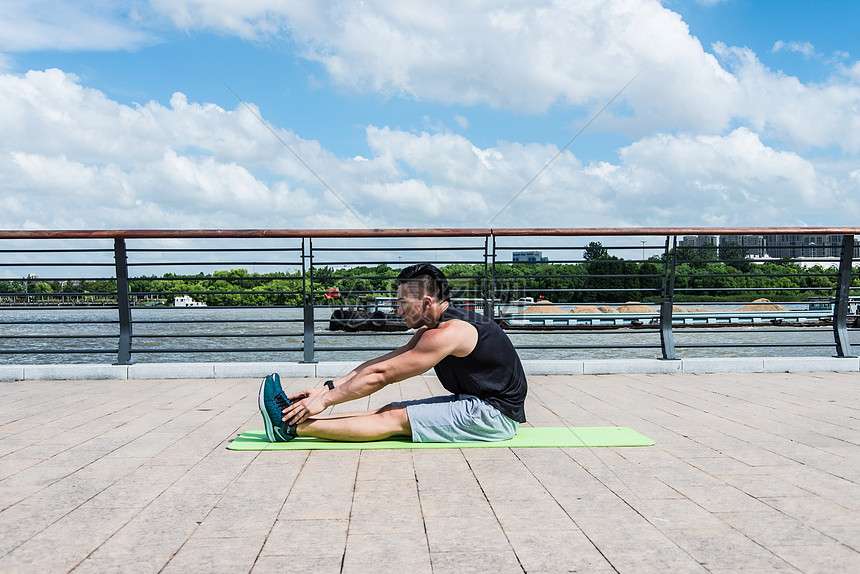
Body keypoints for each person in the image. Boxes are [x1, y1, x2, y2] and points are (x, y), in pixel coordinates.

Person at [258, 263, 527, 443]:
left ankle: (291, 427)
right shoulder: (430, 330)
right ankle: (292, 419)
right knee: (390, 408)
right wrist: (325, 389)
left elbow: (383, 376)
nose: (397, 309)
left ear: (426, 302)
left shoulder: (449, 334)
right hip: (474, 403)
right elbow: (380, 363)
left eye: (401, 302)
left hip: (493, 416)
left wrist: (325, 402)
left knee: (393, 419)